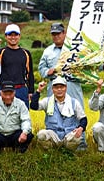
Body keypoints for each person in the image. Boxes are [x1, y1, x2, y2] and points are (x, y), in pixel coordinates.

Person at [38, 22, 88, 150]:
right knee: (54, 115)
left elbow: (88, 65)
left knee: (77, 114)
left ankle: (80, 145)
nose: (56, 37)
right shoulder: (48, 51)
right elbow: (41, 68)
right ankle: (54, 145)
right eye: (53, 34)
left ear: (64, 33)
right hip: (55, 87)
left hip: (72, 87)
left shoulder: (76, 49)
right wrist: (46, 72)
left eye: (58, 34)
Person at [0, 23, 34, 109]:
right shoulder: (1, 52)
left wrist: (30, 91)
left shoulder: (26, 53)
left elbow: (30, 73)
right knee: (2, 117)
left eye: (15, 35)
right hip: (4, 90)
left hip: (21, 89)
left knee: (23, 117)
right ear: (6, 36)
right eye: (10, 35)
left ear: (19, 36)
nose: (13, 38)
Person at [30, 76, 87, 151]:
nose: (59, 89)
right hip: (53, 135)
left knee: (77, 137)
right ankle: (51, 152)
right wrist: (38, 91)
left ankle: (69, 152)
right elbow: (33, 106)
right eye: (56, 87)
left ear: (66, 88)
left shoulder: (74, 102)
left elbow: (83, 119)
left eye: (61, 87)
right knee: (41, 135)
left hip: (68, 135)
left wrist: (80, 128)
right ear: (52, 89)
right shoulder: (47, 101)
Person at [0, 81, 34, 154]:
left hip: (15, 134)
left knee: (29, 135)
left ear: (14, 93)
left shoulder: (20, 104)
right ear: (1, 93)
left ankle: (18, 150)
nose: (8, 97)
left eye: (10, 94)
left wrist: (24, 133)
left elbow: (26, 120)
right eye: (5, 94)